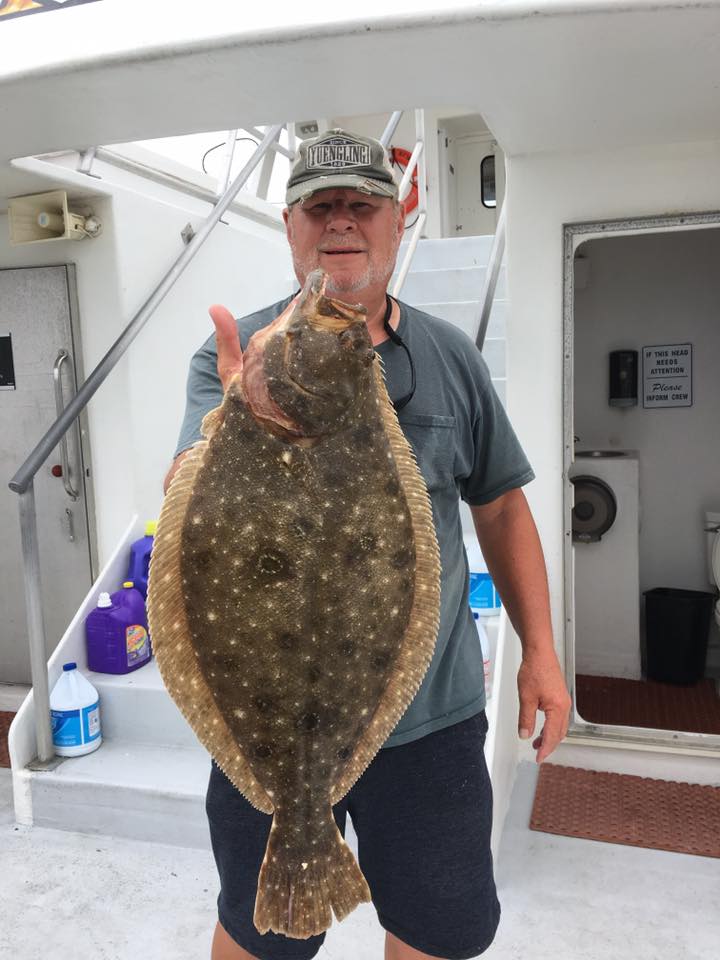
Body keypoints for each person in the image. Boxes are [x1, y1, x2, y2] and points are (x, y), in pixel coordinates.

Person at [164, 129, 572, 960]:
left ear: (396, 222)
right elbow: (184, 502)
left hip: (429, 723)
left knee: (436, 934)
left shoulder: (450, 356)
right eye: (320, 207)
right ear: (290, 227)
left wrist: (541, 651)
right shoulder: (235, 358)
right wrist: (233, 429)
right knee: (259, 936)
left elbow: (500, 507)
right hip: (269, 723)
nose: (341, 222)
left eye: (362, 204)